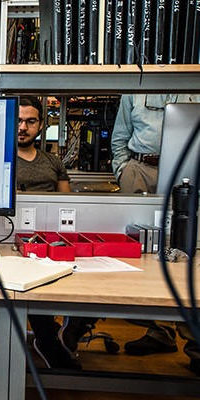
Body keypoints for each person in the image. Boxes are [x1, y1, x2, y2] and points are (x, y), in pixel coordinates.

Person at [111, 94, 200, 374]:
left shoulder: (191, 81)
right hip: (141, 169)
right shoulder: (133, 91)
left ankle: (195, 343)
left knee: (189, 249)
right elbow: (120, 135)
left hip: (188, 166)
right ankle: (158, 331)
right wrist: (123, 170)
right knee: (143, 252)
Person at [16, 96, 96, 369]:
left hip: (51, 238)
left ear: (40, 125)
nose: (23, 127)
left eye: (30, 121)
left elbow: (68, 205)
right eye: (17, 120)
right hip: (15, 238)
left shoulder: (52, 161)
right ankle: (48, 342)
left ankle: (63, 333)